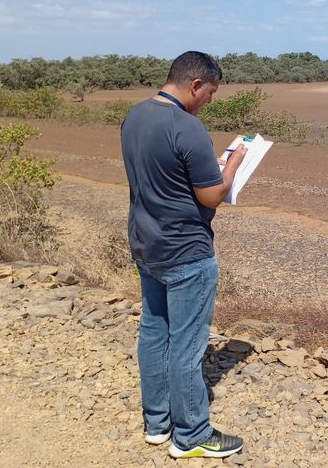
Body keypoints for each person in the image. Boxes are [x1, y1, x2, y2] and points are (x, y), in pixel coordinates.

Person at [120, 51, 247, 459]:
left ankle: (157, 423)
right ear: (196, 85)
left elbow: (166, 175)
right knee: (187, 347)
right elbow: (211, 194)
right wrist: (234, 164)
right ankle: (191, 435)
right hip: (186, 251)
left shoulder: (135, 117)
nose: (209, 100)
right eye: (210, 92)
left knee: (154, 333)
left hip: (147, 244)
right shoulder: (188, 126)